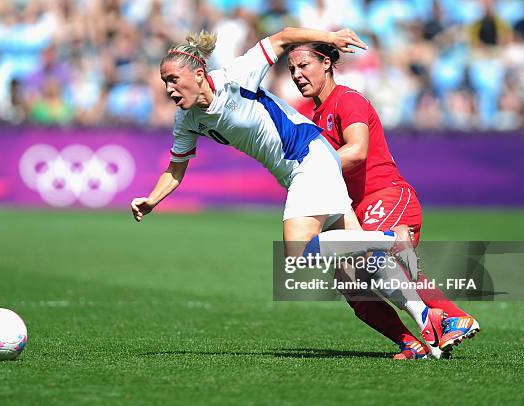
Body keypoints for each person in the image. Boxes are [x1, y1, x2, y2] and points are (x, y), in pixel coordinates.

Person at [131, 27, 449, 357]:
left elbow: (283, 37)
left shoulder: (235, 76)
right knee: (362, 264)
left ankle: (386, 239)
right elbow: (175, 169)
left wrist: (330, 38)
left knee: (297, 250)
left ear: (198, 74)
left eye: (172, 79)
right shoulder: (187, 118)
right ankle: (425, 327)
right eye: (164, 81)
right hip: (302, 167)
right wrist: (152, 199)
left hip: (308, 156)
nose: (167, 89)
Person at [287, 42, 480, 359]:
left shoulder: (347, 100)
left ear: (325, 63)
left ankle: (452, 315)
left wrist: (311, 170)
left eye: (303, 65)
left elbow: (358, 150)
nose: (297, 74)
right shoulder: (316, 115)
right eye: (291, 69)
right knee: (352, 286)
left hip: (387, 195)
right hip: (357, 209)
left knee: (384, 260)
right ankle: (412, 343)